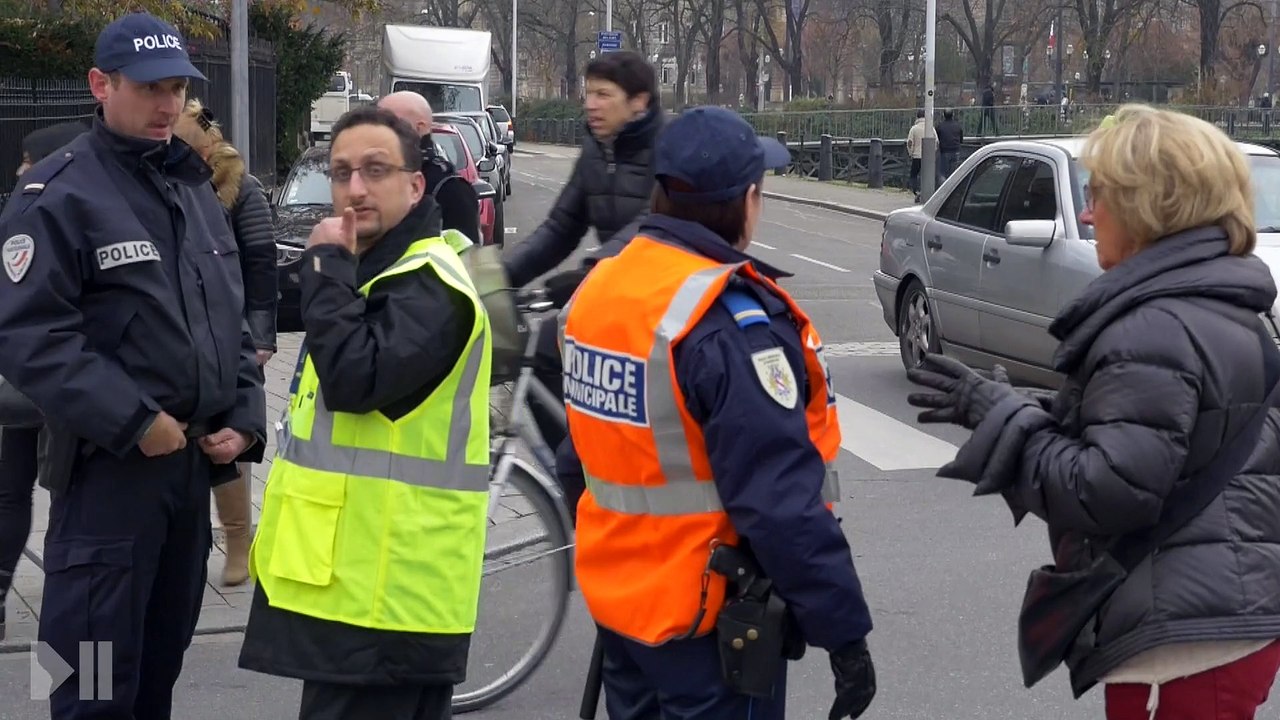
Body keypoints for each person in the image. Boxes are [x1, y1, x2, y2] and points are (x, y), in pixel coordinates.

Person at [906, 104, 1280, 719]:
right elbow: (1170, 443)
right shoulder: (1215, 305)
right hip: (1216, 610)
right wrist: (1013, 409)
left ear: (1148, 206)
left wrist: (1005, 420)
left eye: (1099, 194)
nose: (1086, 212)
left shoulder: (1154, 324)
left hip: (1183, 638)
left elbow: (1109, 490)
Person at [556, 106, 877, 720]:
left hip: (623, 609)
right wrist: (844, 633)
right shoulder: (725, 323)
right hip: (710, 623)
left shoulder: (601, 290)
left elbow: (578, 457)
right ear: (746, 201)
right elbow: (779, 501)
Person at [0, 11, 266, 718]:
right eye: (150, 88)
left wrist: (244, 416)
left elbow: (228, 315)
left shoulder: (191, 188)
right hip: (104, 484)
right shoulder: (57, 192)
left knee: (156, 672)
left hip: (186, 479)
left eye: (177, 88)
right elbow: (29, 335)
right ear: (101, 85)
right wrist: (135, 420)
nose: (168, 104)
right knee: (83, 683)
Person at [236, 105, 491, 720]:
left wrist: (325, 269)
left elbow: (355, 379)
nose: (355, 188)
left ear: (415, 185)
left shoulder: (430, 284)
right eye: (341, 171)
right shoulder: (375, 270)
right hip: (352, 592)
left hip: (388, 602)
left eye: (376, 170)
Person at [504, 50, 664, 469]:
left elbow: (652, 223)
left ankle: (600, 470)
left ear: (639, 101)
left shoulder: (668, 147)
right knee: (539, 352)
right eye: (588, 93)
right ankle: (578, 470)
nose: (590, 104)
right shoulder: (596, 150)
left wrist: (591, 274)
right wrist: (500, 275)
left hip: (665, 299)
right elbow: (561, 228)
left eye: (603, 94)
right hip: (614, 290)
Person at [173, 98, 277, 587]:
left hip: (234, 333)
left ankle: (238, 539)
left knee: (233, 434)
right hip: (187, 336)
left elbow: (261, 263)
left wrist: (260, 337)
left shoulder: (240, 187)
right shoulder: (166, 186)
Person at [0, 120, 89, 641]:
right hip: (39, 387)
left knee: (45, 494)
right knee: (22, 492)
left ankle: (60, 609)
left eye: (29, 160)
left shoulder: (32, 215)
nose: (19, 170)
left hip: (56, 391)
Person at [377, 91, 481, 245]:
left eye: (388, 122)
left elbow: (468, 256)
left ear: (419, 127)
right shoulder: (369, 178)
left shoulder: (449, 188)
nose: (376, 130)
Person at [935, 109, 963, 180]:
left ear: (943, 115)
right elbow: (961, 139)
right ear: (953, 115)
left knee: (942, 173)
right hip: (956, 150)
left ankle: (944, 185)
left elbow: (937, 139)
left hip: (944, 151)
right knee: (955, 173)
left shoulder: (940, 126)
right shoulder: (958, 126)